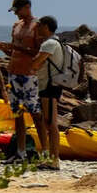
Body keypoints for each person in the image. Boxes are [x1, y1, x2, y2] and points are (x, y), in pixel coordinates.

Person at [0, 0, 42, 163]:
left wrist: (16, 47)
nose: (16, 14)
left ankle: (44, 151)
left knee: (35, 113)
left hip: (29, 74)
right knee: (17, 114)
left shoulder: (37, 26)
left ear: (27, 7)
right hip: (13, 72)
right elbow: (15, 51)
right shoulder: (16, 26)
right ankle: (20, 153)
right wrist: (7, 49)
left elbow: (36, 52)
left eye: (18, 10)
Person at [29, 15, 64, 170]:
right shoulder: (56, 42)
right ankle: (51, 157)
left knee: (51, 122)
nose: (37, 28)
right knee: (48, 121)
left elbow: (35, 64)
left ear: (46, 26)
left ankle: (54, 159)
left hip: (49, 85)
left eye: (40, 25)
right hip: (51, 85)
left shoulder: (49, 43)